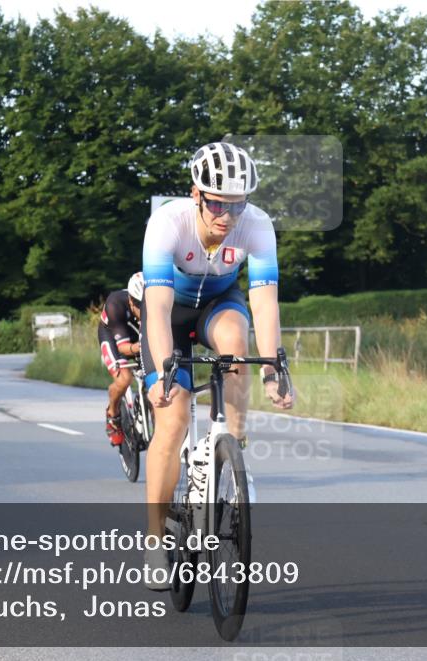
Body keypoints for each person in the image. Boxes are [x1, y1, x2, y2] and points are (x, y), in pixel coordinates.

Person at [139, 142, 295, 588]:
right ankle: (155, 541)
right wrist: (164, 371)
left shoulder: (257, 225)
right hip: (170, 313)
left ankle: (232, 453)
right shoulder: (167, 222)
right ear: (196, 194)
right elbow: (157, 306)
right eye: (217, 204)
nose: (228, 216)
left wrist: (272, 370)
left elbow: (264, 303)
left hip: (219, 303)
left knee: (236, 345)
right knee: (172, 419)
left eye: (237, 205)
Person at [98, 272, 144, 447]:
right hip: (112, 335)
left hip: (135, 335)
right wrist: (138, 348)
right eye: (139, 305)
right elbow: (123, 348)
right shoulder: (115, 304)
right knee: (124, 379)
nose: (143, 310)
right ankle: (113, 414)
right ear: (131, 301)